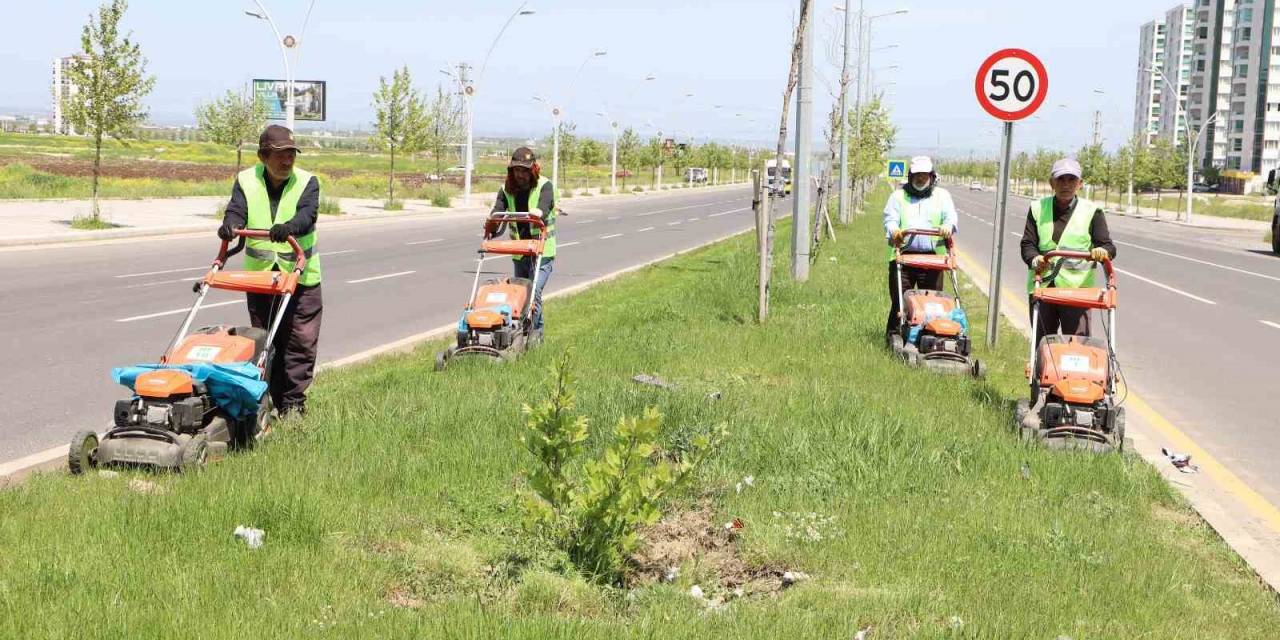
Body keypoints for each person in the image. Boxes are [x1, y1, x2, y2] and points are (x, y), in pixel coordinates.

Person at [218, 125, 323, 418]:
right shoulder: (246, 180)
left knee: (299, 343)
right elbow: (236, 209)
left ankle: (293, 404)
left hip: (301, 278)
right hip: (262, 278)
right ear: (264, 156)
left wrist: (289, 228)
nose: (287, 160)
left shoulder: (307, 182)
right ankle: (271, 400)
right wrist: (229, 226)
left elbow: (307, 215)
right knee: (265, 341)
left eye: (291, 153)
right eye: (280, 154)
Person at [1019, 158, 1116, 346]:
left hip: (1077, 292)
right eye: (1061, 179)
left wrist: (1101, 251)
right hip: (1043, 288)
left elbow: (1109, 246)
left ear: (1080, 184)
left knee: (1077, 345)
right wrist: (1035, 258)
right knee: (1043, 345)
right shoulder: (1037, 208)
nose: (1066, 185)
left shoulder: (1092, 212)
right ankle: (1042, 375)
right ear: (1051, 183)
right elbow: (1027, 244)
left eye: (1071, 180)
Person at [882, 155, 958, 341]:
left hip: (933, 260)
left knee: (933, 303)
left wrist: (948, 227)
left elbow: (951, 218)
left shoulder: (942, 196)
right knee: (901, 303)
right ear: (910, 176)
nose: (921, 178)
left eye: (925, 175)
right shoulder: (898, 196)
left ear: (932, 176)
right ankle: (894, 338)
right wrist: (895, 232)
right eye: (917, 175)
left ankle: (928, 339)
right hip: (904, 258)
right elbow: (889, 220)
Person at [491, 146, 557, 335]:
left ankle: (534, 335)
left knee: (533, 292)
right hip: (520, 252)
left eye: (524, 170)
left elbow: (544, 205)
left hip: (542, 251)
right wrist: (491, 224)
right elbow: (498, 210)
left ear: (533, 170)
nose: (520, 175)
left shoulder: (545, 186)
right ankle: (522, 333)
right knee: (520, 294)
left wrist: (539, 212)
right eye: (517, 170)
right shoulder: (506, 189)